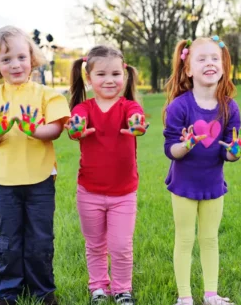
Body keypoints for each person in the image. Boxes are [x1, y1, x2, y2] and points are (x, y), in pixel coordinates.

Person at [0, 25, 70, 305]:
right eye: (6, 59)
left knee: (40, 239)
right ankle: (8, 292)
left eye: (21, 57)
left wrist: (34, 130)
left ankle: (43, 290)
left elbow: (56, 129)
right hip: (3, 182)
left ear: (32, 58)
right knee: (8, 241)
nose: (15, 64)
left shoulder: (47, 95)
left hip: (40, 179)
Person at [163, 36, 241, 305]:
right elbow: (170, 149)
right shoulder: (180, 106)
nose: (209, 63)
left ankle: (211, 295)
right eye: (201, 59)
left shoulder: (229, 107)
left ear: (223, 66)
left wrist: (234, 153)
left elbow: (227, 151)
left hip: (213, 184)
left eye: (215, 58)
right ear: (188, 69)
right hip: (184, 185)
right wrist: (186, 145)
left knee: (210, 238)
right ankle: (185, 297)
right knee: (185, 239)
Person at [65, 45, 149, 305]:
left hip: (123, 194)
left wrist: (137, 125)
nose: (109, 80)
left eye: (115, 73)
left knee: (121, 246)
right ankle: (98, 288)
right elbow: (74, 124)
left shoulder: (128, 107)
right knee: (95, 245)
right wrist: (76, 129)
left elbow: (137, 118)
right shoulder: (85, 109)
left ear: (124, 75)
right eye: (101, 74)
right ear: (89, 79)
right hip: (89, 192)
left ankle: (123, 289)